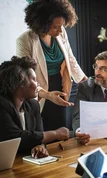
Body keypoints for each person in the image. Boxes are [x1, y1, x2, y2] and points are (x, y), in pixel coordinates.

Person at [16, 0, 87, 131]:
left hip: (60, 88)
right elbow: (25, 78)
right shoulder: (24, 40)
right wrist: (47, 95)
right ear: (42, 24)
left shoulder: (61, 32)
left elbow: (70, 59)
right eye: (56, 27)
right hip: (38, 91)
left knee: (60, 130)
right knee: (41, 133)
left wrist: (85, 81)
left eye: (62, 26)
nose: (60, 30)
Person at [0, 56, 72, 158]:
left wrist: (40, 146)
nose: (38, 84)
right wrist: (55, 134)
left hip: (24, 163)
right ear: (20, 82)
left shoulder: (33, 105)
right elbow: (15, 139)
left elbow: (38, 137)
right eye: (34, 79)